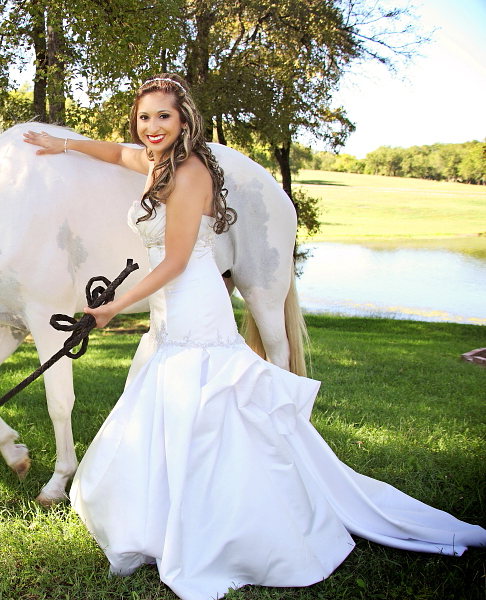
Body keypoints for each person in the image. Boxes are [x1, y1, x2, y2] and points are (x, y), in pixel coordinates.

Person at [24, 74, 486, 600]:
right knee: (170, 402)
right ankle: (158, 515)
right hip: (169, 310)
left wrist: (111, 307)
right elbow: (112, 153)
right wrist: (60, 144)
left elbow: (175, 261)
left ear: (185, 120)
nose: (151, 127)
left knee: (206, 407)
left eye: (163, 117)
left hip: (193, 301)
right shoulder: (157, 164)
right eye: (144, 117)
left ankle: (227, 523)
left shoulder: (191, 171)